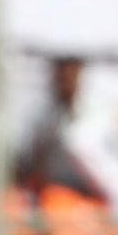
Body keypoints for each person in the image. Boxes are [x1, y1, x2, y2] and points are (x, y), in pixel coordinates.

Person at [17, 54, 106, 202]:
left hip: (89, 194)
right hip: (54, 194)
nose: (66, 82)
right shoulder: (44, 118)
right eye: (61, 76)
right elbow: (34, 159)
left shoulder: (95, 115)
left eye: (71, 76)